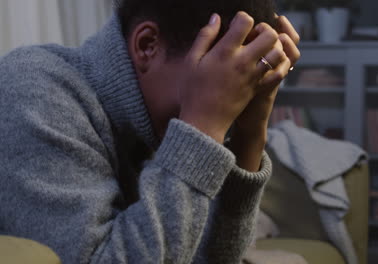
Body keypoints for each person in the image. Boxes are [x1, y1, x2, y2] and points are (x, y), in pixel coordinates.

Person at [0, 0, 300, 263]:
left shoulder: (143, 120)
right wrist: (200, 123)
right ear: (147, 46)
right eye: (211, 89)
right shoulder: (32, 89)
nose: (223, 115)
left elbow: (203, 257)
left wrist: (251, 133)